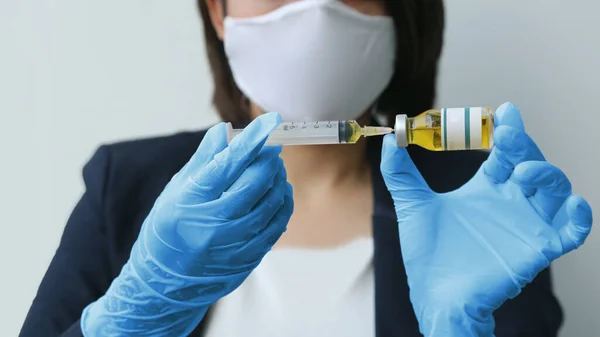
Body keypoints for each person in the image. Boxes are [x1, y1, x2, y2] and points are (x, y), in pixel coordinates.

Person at [20, 1, 593, 336]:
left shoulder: (480, 207)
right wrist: (129, 320)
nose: (316, 14)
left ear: (399, 15)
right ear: (218, 12)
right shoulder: (127, 187)